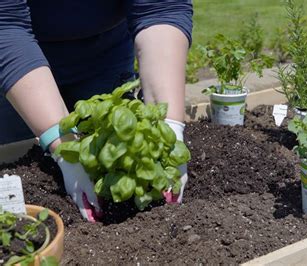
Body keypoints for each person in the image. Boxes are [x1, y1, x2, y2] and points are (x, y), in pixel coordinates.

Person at [0, 1, 193, 222]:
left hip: (104, 53)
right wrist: (62, 144)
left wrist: (170, 126)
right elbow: (4, 23)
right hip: (11, 67)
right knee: (17, 160)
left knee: (109, 147)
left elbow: (160, 7)